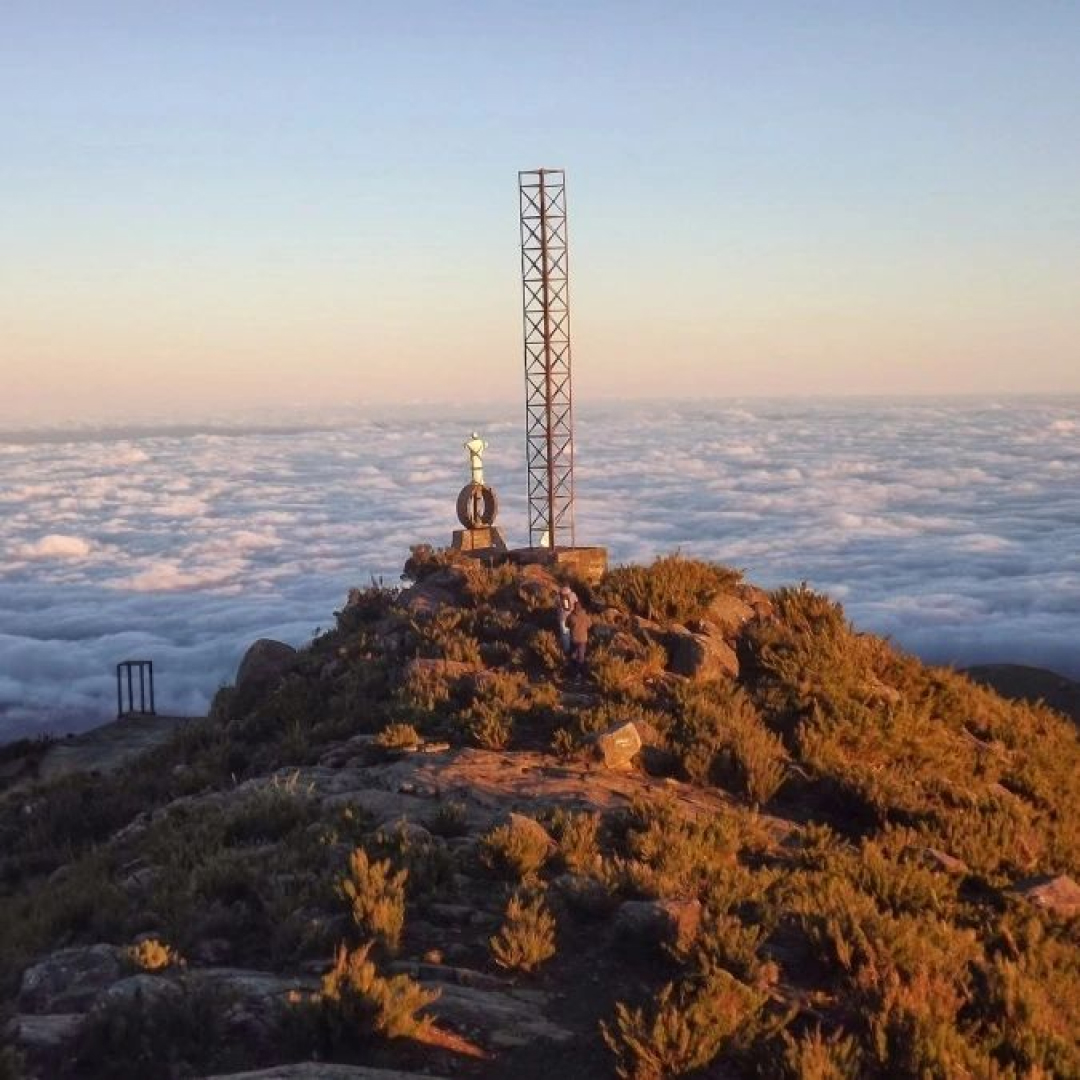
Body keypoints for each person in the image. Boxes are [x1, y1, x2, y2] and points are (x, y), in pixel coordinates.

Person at [567, 600, 592, 679]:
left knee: (573, 656)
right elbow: (589, 625)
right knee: (581, 657)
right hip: (583, 639)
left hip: (573, 638)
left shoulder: (571, 616)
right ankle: (579, 673)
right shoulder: (586, 616)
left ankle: (573, 673)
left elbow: (567, 625)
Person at [556, 585, 579, 654]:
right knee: (574, 632)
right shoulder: (573, 594)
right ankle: (575, 648)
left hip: (563, 618)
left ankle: (566, 650)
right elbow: (577, 603)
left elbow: (557, 606)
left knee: (565, 634)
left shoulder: (558, 596)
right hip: (572, 617)